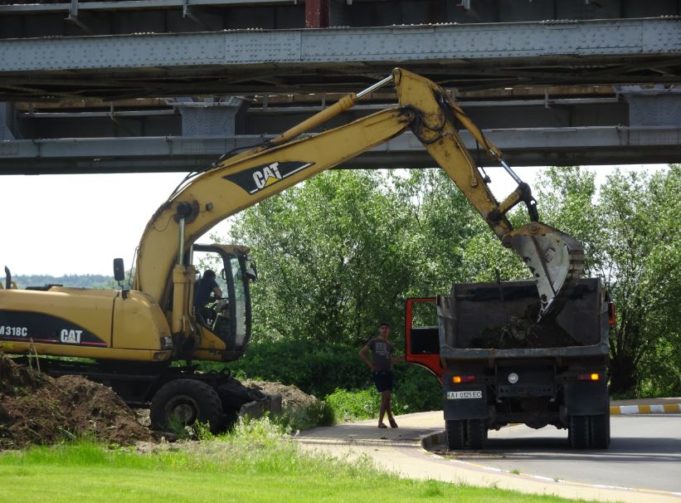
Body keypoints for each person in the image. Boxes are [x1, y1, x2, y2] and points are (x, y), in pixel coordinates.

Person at [359, 322, 401, 429]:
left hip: (388, 372)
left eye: (387, 328)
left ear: (389, 331)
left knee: (387, 398)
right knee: (386, 397)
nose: (385, 330)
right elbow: (362, 353)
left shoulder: (390, 344)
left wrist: (402, 358)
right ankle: (381, 422)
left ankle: (390, 419)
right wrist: (371, 366)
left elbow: (391, 360)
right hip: (379, 372)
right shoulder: (374, 341)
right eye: (382, 328)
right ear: (379, 330)